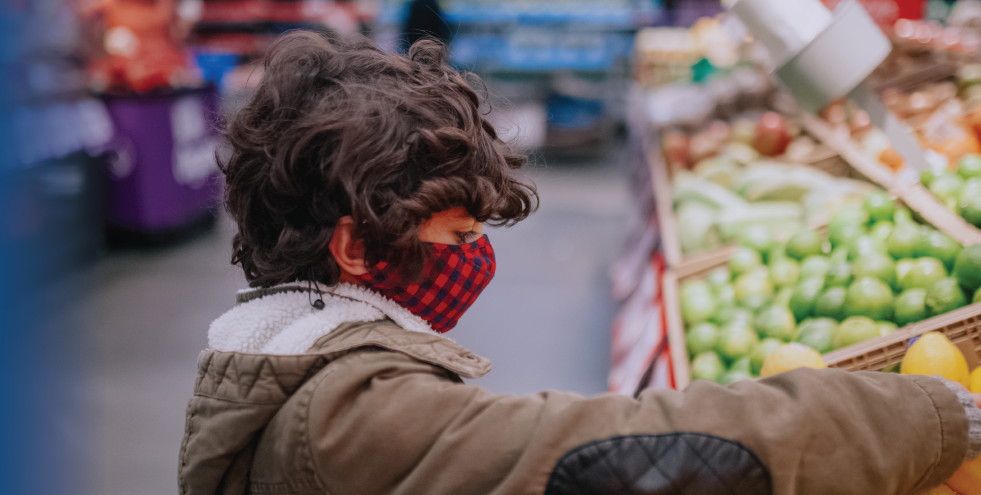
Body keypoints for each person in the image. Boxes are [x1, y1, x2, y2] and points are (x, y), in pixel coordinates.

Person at [177, 31, 981, 494]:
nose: (476, 260)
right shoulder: (347, 417)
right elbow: (617, 449)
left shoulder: (283, 363)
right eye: (456, 240)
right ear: (354, 246)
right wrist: (924, 416)